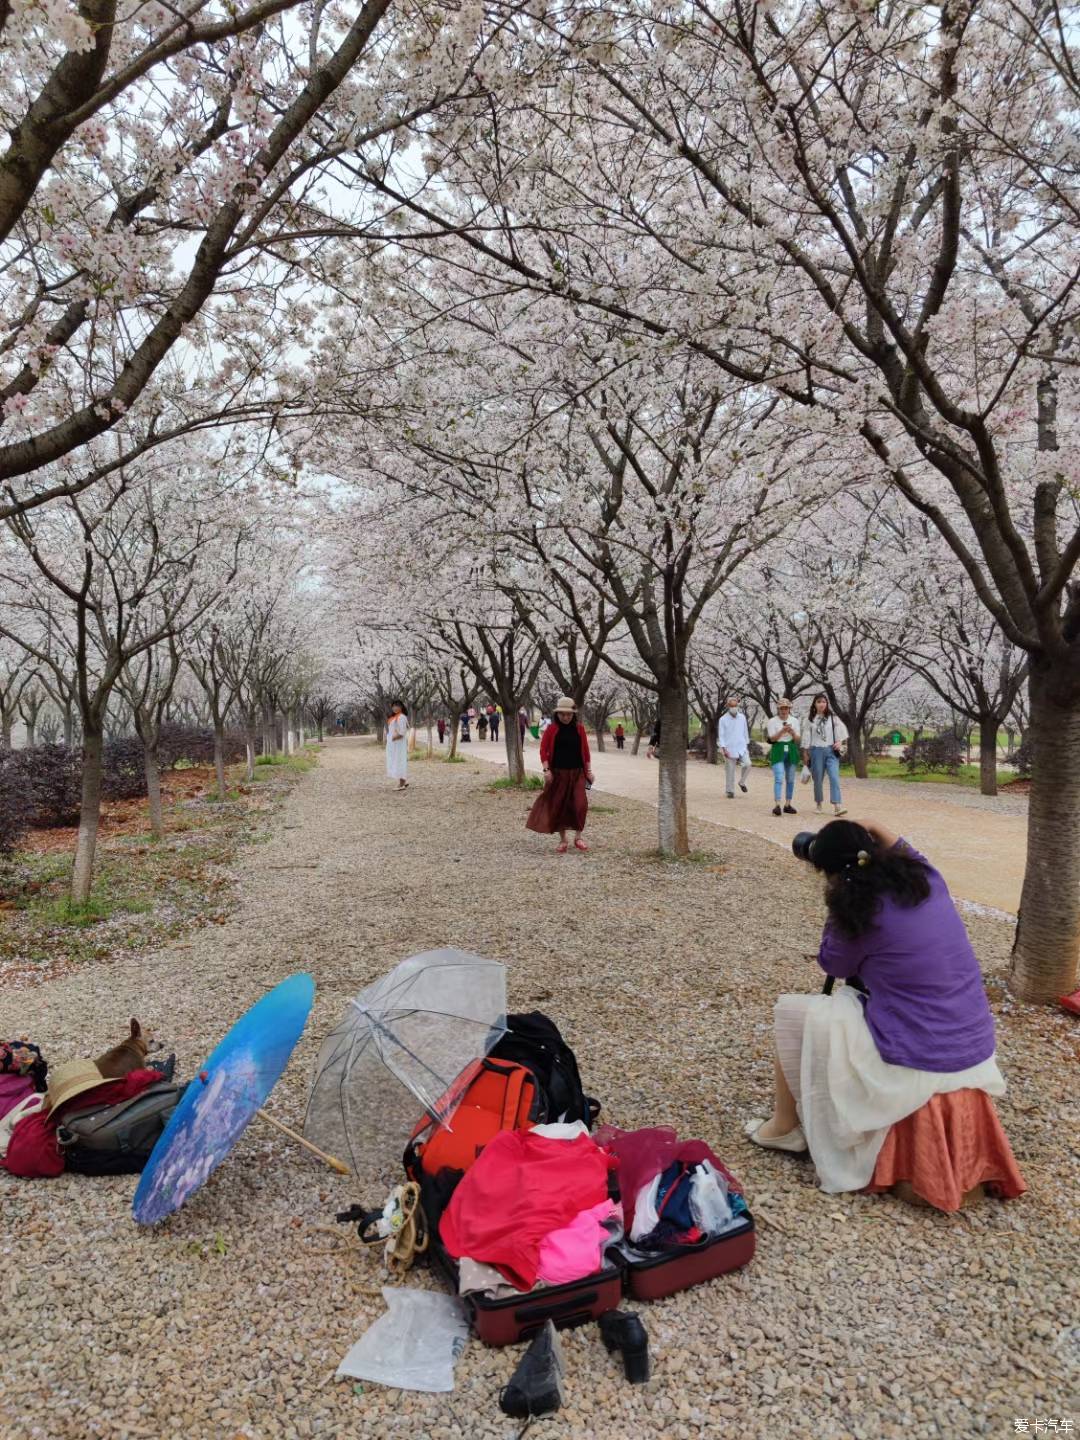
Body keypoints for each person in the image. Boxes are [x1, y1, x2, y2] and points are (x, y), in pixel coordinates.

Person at [746, 819, 1006, 1197]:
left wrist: (838, 902)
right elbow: (906, 849)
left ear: (831, 871)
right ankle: (787, 1125)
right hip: (974, 1042)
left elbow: (834, 966)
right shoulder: (928, 881)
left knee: (793, 1013)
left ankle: (784, 1126)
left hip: (919, 1052)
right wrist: (868, 828)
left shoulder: (857, 914)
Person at [525, 696, 595, 853]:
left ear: (573, 715)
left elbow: (586, 752)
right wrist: (546, 770)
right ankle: (563, 840)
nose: (565, 717)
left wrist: (589, 771)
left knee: (580, 804)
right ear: (557, 714)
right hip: (558, 773)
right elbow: (543, 751)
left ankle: (578, 837)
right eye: (562, 714)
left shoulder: (580, 729)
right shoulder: (551, 730)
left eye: (569, 714)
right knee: (559, 805)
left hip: (577, 773)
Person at [802, 694, 848, 816]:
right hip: (816, 751)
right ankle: (818, 804)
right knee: (817, 779)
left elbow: (842, 732)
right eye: (819, 702)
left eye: (824, 702)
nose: (822, 704)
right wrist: (805, 754)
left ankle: (837, 805)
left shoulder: (833, 718)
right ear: (814, 704)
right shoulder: (810, 720)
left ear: (826, 704)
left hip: (831, 751)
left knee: (834, 777)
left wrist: (839, 742)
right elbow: (806, 737)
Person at [766, 699, 801, 816]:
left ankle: (788, 804)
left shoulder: (794, 721)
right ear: (778, 709)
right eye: (782, 708)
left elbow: (797, 739)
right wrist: (782, 731)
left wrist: (792, 732)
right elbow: (772, 739)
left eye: (786, 708)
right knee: (779, 777)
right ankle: (777, 804)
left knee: (790, 779)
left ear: (789, 709)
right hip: (778, 749)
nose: (784, 710)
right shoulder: (772, 721)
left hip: (791, 749)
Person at [718, 696, 751, 799]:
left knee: (748, 764)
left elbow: (745, 731)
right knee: (730, 770)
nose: (734, 707)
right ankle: (730, 791)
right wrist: (723, 748)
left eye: (735, 705)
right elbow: (721, 735)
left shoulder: (742, 717)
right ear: (728, 706)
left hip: (741, 746)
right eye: (731, 706)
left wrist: (746, 744)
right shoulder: (723, 719)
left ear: (738, 706)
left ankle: (742, 782)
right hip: (729, 748)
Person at [386, 702, 409, 790]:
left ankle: (401, 784)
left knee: (399, 760)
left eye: (397, 706)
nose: (395, 708)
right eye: (393, 706)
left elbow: (402, 731)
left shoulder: (401, 717)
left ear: (401, 707)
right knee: (397, 760)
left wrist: (393, 738)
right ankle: (402, 781)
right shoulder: (395, 716)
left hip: (398, 743)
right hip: (394, 743)